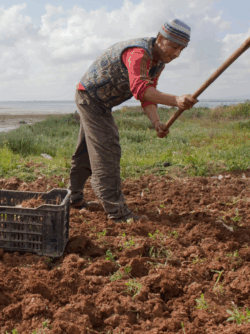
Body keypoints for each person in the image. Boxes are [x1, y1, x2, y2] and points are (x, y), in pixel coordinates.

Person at [68, 19, 198, 223]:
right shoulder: (138, 53)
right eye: (174, 47)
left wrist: (157, 123)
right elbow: (140, 88)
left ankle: (73, 199)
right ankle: (117, 213)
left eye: (181, 50)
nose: (176, 54)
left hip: (97, 99)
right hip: (91, 98)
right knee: (108, 149)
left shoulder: (158, 63)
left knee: (86, 152)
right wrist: (176, 100)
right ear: (162, 39)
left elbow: (147, 96)